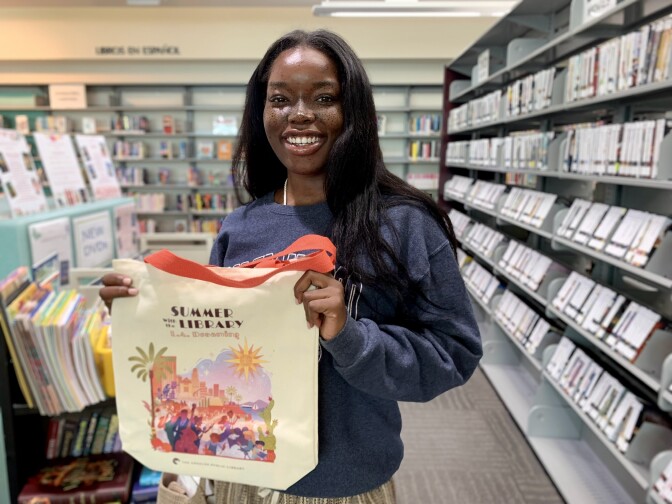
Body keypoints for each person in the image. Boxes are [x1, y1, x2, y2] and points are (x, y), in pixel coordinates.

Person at [100, 28, 482, 504]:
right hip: (243, 474)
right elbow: (213, 350)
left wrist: (349, 336)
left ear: (354, 111)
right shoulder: (241, 227)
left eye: (324, 97)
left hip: (346, 486)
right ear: (261, 111)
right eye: (280, 99)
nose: (300, 114)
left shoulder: (403, 224)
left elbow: (454, 352)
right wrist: (143, 313)